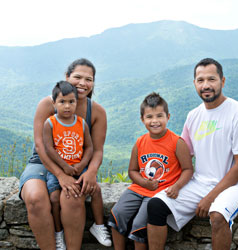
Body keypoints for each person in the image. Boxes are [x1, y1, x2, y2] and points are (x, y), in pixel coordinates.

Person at [147, 58, 238, 250]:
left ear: (222, 81)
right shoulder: (193, 116)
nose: (206, 85)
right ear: (194, 84)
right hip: (200, 182)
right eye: (200, 80)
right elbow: (184, 156)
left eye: (212, 79)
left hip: (237, 185)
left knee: (217, 215)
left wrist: (210, 198)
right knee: (155, 206)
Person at [19, 58, 111, 250]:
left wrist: (91, 172)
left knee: (73, 196)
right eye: (77, 77)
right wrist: (60, 175)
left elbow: (97, 149)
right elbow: (41, 146)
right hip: (42, 162)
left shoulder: (96, 112)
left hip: (76, 163)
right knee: (36, 199)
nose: (83, 83)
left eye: (89, 79)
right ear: (67, 77)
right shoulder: (47, 105)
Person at [108, 92, 193, 250]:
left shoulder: (177, 143)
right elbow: (132, 171)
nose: (155, 121)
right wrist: (143, 182)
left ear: (168, 117)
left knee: (139, 224)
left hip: (160, 192)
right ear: (142, 119)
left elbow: (188, 169)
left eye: (159, 116)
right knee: (117, 214)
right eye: (149, 117)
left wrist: (176, 187)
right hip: (139, 188)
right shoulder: (140, 142)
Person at [43, 81, 111, 248]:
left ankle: (99, 225)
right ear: (54, 103)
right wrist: (63, 167)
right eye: (62, 102)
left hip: (79, 166)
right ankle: (58, 232)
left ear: (76, 102)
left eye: (71, 102)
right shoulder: (50, 123)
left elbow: (89, 147)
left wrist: (82, 165)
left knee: (95, 189)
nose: (67, 106)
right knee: (54, 198)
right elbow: (49, 149)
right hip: (59, 169)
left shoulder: (81, 123)